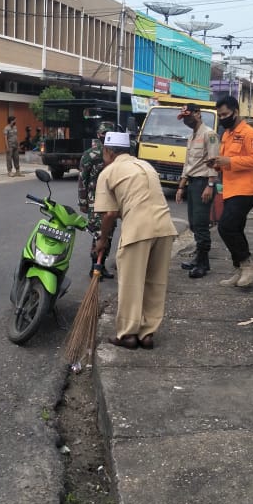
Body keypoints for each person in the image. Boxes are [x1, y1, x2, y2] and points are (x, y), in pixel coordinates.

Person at [93, 131, 178, 350]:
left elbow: (109, 214)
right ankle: (147, 333)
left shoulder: (109, 171)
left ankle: (128, 335)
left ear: (108, 151)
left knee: (131, 282)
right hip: (165, 227)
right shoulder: (146, 166)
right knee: (155, 282)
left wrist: (102, 241)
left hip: (138, 229)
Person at [209, 95, 253, 287]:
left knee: (226, 227)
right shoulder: (226, 134)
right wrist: (218, 164)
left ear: (235, 112)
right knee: (236, 229)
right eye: (220, 115)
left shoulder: (250, 134)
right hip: (231, 189)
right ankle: (240, 269)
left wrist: (229, 162)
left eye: (225, 114)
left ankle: (248, 266)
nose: (222, 118)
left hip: (246, 190)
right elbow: (225, 161)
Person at [174, 103, 219, 278]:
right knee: (193, 223)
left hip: (203, 183)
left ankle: (203, 263)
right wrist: (181, 186)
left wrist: (210, 185)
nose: (186, 120)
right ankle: (199, 259)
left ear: (198, 114)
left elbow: (214, 162)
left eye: (188, 116)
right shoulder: (191, 136)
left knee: (200, 224)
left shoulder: (210, 134)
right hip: (193, 183)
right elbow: (188, 164)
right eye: (183, 118)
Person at [78, 121, 116, 278]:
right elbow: (82, 179)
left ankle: (102, 265)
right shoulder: (90, 155)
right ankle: (95, 267)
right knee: (99, 234)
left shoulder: (115, 155)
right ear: (99, 135)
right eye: (103, 134)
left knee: (109, 233)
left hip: (112, 200)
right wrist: (83, 202)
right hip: (95, 201)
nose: (105, 137)